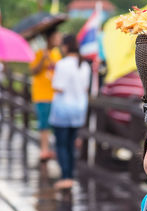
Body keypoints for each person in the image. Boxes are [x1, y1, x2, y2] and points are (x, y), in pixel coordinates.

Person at [49, 34, 91, 189]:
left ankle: (65, 176)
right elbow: (86, 88)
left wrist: (50, 77)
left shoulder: (63, 64)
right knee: (72, 144)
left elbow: (58, 87)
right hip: (79, 109)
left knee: (61, 144)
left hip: (63, 109)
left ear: (66, 46)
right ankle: (71, 176)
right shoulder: (84, 65)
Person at [30, 29, 62, 161]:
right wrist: (42, 59)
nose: (58, 39)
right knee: (43, 124)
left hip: (55, 93)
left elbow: (60, 69)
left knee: (55, 124)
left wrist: (49, 59)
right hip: (42, 93)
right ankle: (44, 150)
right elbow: (33, 71)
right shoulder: (38, 52)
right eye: (56, 37)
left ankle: (52, 149)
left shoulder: (56, 53)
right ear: (49, 39)